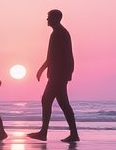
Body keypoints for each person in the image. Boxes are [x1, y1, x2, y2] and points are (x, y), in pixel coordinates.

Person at [27, 9, 79, 142]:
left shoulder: (59, 33)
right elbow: (53, 56)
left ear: (56, 19)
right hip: (60, 73)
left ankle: (44, 132)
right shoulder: (59, 32)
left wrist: (41, 69)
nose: (47, 19)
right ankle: (73, 134)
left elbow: (52, 56)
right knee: (62, 103)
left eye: (49, 17)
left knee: (47, 99)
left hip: (59, 73)